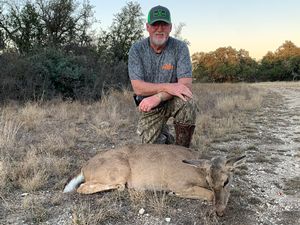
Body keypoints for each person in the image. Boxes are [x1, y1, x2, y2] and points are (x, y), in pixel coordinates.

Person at [128, 5, 196, 148]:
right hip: (149, 106)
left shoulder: (180, 47)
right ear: (147, 27)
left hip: (170, 101)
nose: (159, 29)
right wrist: (169, 86)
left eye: (164, 24)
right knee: (149, 151)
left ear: (170, 27)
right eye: (155, 24)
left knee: (187, 102)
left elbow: (185, 86)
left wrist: (158, 97)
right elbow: (138, 88)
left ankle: (182, 152)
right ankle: (166, 137)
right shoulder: (137, 49)